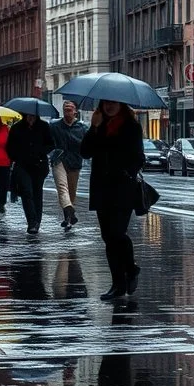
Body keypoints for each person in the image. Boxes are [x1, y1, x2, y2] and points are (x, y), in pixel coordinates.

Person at [81, 100, 145, 301]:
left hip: (122, 188)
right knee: (108, 237)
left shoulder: (131, 125)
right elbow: (85, 152)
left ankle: (131, 269)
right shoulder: (99, 125)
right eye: (106, 103)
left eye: (113, 103)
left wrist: (127, 173)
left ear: (122, 104)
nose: (109, 106)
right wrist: (94, 126)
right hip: (101, 187)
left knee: (117, 233)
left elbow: (139, 157)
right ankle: (118, 284)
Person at [7, 111, 55, 234]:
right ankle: (32, 222)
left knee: (37, 192)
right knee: (26, 191)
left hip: (39, 165)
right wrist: (17, 156)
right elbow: (9, 147)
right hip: (22, 165)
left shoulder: (44, 126)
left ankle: (37, 221)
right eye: (28, 115)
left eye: (32, 115)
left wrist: (40, 152)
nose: (30, 117)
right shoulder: (16, 127)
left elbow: (51, 144)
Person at [50, 100, 87, 229]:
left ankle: (68, 217)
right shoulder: (55, 126)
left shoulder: (82, 128)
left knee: (71, 192)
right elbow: (49, 142)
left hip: (75, 162)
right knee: (62, 187)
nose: (67, 112)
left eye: (70, 109)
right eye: (65, 109)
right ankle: (69, 210)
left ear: (75, 112)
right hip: (59, 160)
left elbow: (87, 145)